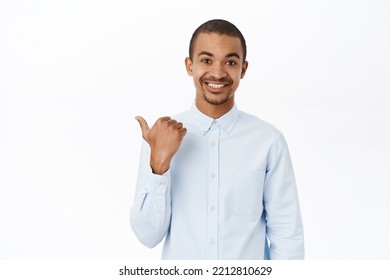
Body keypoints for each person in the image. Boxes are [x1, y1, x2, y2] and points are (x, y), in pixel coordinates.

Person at [130, 19, 304, 260]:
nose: (218, 73)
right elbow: (147, 236)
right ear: (189, 65)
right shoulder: (160, 137)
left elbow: (287, 235)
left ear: (243, 69)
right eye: (206, 60)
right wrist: (159, 165)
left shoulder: (268, 141)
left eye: (230, 62)